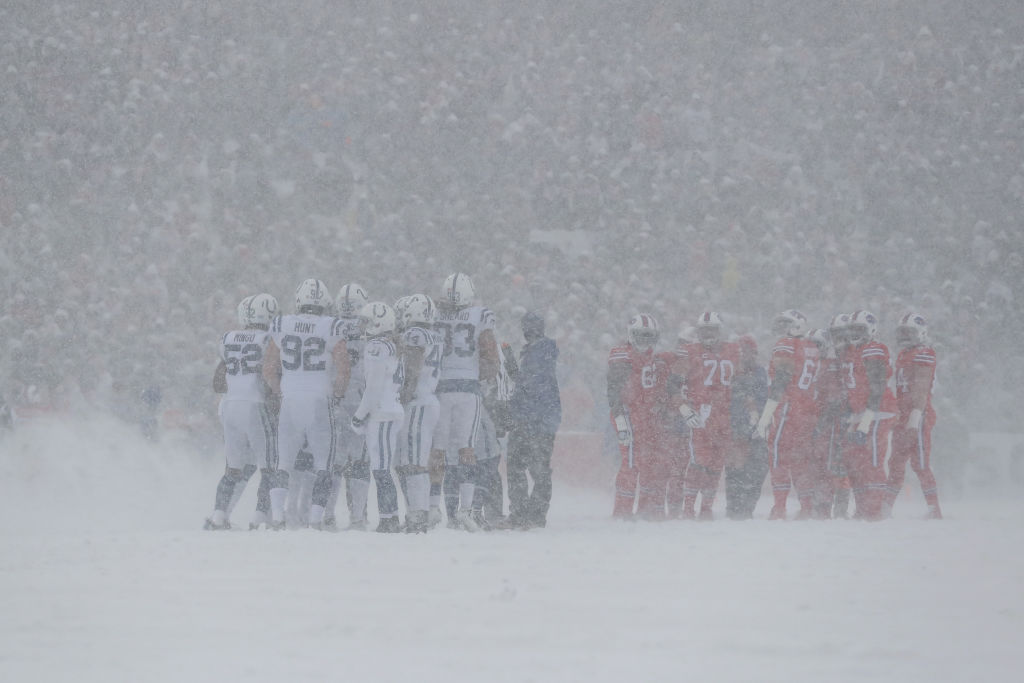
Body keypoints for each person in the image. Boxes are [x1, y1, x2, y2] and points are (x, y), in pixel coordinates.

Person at [263, 279, 350, 530]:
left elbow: (268, 369)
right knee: (324, 465)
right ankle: (314, 519)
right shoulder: (331, 325)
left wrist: (280, 392)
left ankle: (278, 517)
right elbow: (344, 369)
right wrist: (337, 396)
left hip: (290, 398)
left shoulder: (282, 324)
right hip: (319, 399)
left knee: (283, 463)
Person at [430, 273, 499, 531]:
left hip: (440, 387)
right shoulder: (479, 315)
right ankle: (466, 509)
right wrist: (485, 374)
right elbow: (490, 353)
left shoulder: (434, 313)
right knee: (467, 449)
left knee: (438, 449)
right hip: (468, 388)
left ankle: (433, 505)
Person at [205, 293, 279, 530]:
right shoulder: (269, 338)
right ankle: (259, 518)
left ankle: (218, 515)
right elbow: (272, 372)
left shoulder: (228, 338)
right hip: (254, 402)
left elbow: (217, 381)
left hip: (228, 405)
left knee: (233, 467)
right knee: (270, 466)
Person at [754, 309, 821, 519]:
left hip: (789, 408)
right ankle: (807, 506)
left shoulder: (787, 345)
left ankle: (780, 506)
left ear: (796, 326)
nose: (781, 328)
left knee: (778, 456)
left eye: (786, 324)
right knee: (801, 459)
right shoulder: (811, 347)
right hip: (807, 409)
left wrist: (766, 416)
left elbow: (781, 380)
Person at [674, 312, 740, 520]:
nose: (709, 334)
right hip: (702, 412)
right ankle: (688, 508)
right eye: (705, 330)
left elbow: (742, 384)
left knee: (715, 464)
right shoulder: (690, 351)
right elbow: (673, 385)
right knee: (698, 462)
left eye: (712, 330)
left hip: (724, 414)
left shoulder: (732, 350)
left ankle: (706, 508)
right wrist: (685, 410)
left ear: (719, 331)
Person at [607, 313, 671, 519]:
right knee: (632, 463)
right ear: (631, 334)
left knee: (651, 462)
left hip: (649, 416)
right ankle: (622, 510)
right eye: (640, 336)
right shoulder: (622, 355)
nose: (644, 340)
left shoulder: (655, 358)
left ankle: (646, 508)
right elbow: (614, 391)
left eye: (648, 336)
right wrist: (620, 420)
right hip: (629, 413)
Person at [502, 311, 561, 529]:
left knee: (531, 468)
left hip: (535, 420)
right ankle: (528, 514)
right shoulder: (536, 351)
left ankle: (528, 515)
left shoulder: (542, 351)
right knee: (528, 467)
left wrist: (512, 370)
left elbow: (529, 385)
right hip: (534, 419)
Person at [351, 301, 405, 532]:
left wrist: (359, 414)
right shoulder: (388, 345)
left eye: (366, 321)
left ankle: (388, 518)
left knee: (381, 469)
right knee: (382, 468)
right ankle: (390, 516)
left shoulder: (377, 347)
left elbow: (373, 388)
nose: (362, 326)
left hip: (382, 412)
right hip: (389, 409)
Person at [839, 310, 896, 521]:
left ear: (871, 330)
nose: (854, 333)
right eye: (852, 329)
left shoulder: (874, 349)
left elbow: (877, 387)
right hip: (861, 412)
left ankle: (874, 511)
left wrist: (865, 420)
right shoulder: (855, 351)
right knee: (855, 463)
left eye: (859, 329)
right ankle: (863, 509)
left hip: (877, 412)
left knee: (872, 462)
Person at [885, 313, 942, 519]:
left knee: (920, 463)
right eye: (902, 332)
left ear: (920, 333)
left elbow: (921, 385)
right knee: (896, 462)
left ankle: (934, 508)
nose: (904, 337)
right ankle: (886, 508)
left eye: (909, 332)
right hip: (903, 414)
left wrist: (915, 415)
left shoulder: (924, 353)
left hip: (919, 414)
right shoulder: (904, 355)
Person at [324, 282, 370, 531]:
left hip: (336, 397)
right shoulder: (369, 324)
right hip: (361, 398)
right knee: (361, 461)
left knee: (335, 461)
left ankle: (328, 514)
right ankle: (357, 516)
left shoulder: (330, 324)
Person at [397, 294, 444, 533]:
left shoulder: (416, 334)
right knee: (415, 461)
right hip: (429, 400)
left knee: (413, 463)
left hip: (418, 402)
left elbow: (413, 366)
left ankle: (417, 515)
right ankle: (421, 511)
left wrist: (405, 392)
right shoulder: (435, 335)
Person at [724, 335, 769, 520]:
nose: (745, 356)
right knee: (736, 470)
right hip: (736, 427)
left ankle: (748, 507)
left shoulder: (760, 372)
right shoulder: (730, 371)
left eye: (749, 352)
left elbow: (764, 397)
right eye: (741, 352)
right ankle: (734, 508)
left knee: (758, 469)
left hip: (757, 429)